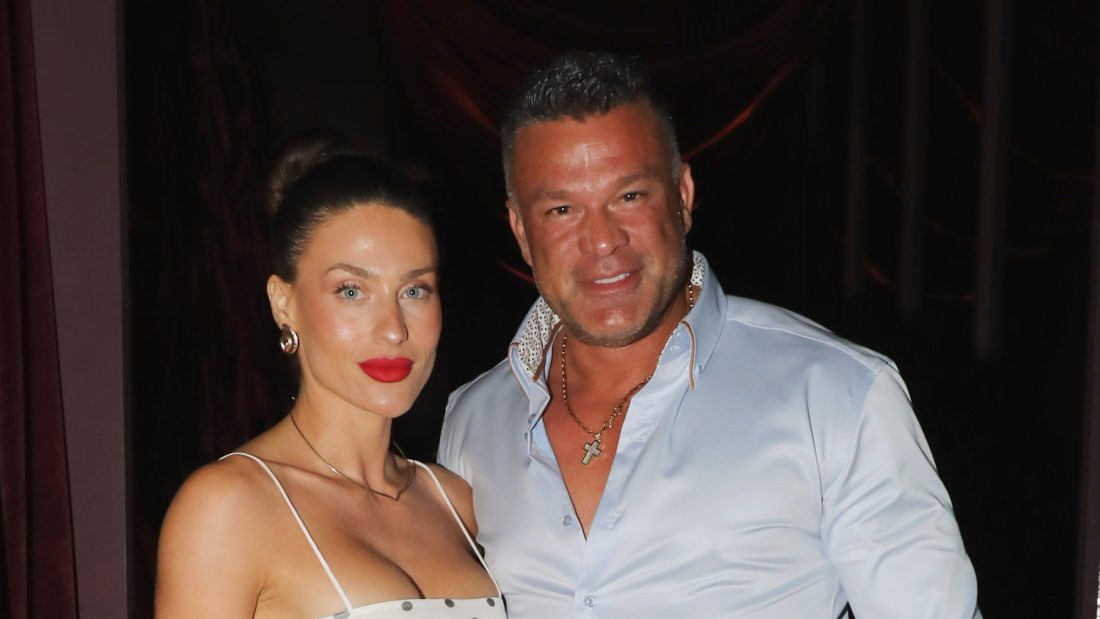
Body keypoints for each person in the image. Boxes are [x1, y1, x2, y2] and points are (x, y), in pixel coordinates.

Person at [439, 51, 981, 618]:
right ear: (520, 231)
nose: (602, 241)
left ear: (683, 195)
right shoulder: (472, 422)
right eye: (561, 210)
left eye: (629, 196)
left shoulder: (836, 393)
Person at [156, 136, 505, 618]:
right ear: (284, 303)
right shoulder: (228, 506)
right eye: (352, 290)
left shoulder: (455, 501)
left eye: (415, 290)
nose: (393, 329)